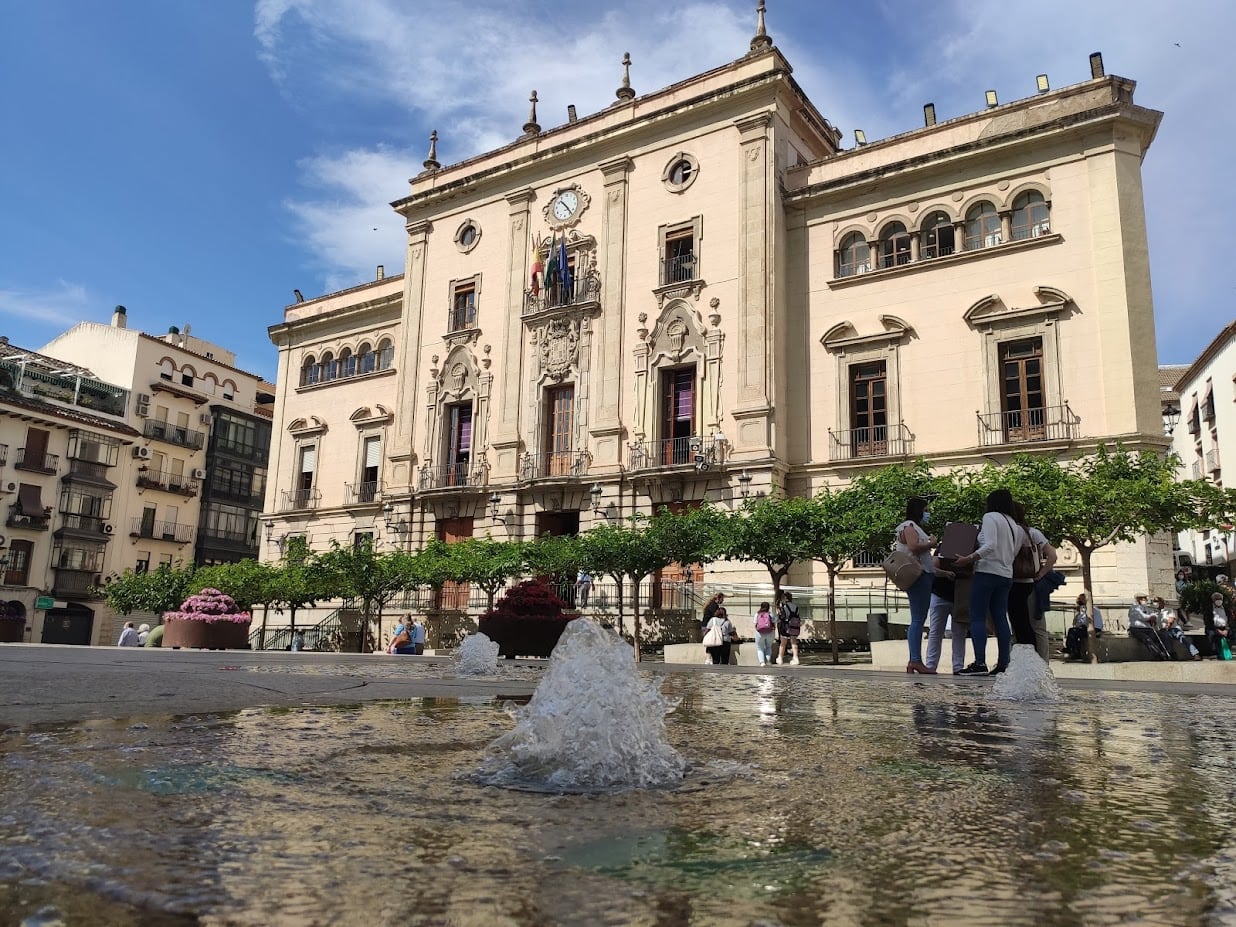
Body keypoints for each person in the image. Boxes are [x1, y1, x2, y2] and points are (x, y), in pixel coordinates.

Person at [954, 489, 1023, 675]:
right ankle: (1003, 662)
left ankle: (980, 662)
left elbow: (990, 545)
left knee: (977, 616)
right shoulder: (1014, 525)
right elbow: (1013, 551)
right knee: (1000, 617)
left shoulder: (990, 517)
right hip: (1005, 575)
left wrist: (969, 558)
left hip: (987, 572)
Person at [1007, 502, 1057, 662]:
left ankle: (1017, 662)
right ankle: (1042, 663)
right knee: (1037, 626)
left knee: (1017, 626)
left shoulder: (1011, 532)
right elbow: (1053, 555)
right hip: (1031, 582)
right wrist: (1041, 573)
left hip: (1014, 582)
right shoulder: (1033, 532)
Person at [895, 497, 937, 674]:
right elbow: (913, 547)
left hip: (922, 575)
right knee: (918, 619)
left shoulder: (911, 526)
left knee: (918, 618)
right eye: (926, 510)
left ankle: (915, 659)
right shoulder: (910, 526)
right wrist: (932, 543)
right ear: (919, 510)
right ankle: (915, 660)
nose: (927, 513)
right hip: (919, 577)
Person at [925, 551, 970, 674]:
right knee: (957, 633)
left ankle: (932, 665)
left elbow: (933, 567)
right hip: (952, 595)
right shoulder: (945, 548)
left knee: (938, 632)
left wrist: (943, 573)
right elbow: (933, 567)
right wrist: (945, 574)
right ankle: (956, 667)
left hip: (946, 594)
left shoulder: (944, 548)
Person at [776, 591, 802, 666]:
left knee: (783, 643)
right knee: (793, 642)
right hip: (794, 627)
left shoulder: (784, 606)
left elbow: (782, 616)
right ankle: (796, 658)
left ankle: (780, 658)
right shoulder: (795, 607)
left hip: (785, 626)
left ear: (785, 598)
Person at [753, 602, 776, 667]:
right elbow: (774, 623)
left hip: (760, 633)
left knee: (760, 648)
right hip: (770, 632)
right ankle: (767, 660)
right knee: (768, 647)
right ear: (768, 607)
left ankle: (762, 662)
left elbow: (755, 623)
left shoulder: (757, 614)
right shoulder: (770, 614)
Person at [1210, 592, 1232, 660]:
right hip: (1214, 628)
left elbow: (1230, 621)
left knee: (1232, 633)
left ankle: (1228, 651)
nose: (1219, 600)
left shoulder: (1226, 609)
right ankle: (1214, 653)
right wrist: (1218, 630)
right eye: (1217, 599)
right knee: (1211, 634)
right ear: (1213, 600)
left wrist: (1226, 630)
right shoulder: (1209, 609)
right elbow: (1208, 623)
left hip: (1225, 627)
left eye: (1220, 599)